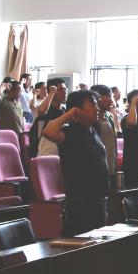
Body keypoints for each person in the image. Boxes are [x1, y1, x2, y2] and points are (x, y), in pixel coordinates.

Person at [42, 90, 110, 236]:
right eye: (92, 105)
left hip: (99, 202)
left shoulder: (93, 131)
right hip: (80, 205)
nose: (97, 108)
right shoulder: (70, 132)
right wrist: (68, 114)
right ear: (77, 109)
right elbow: (48, 132)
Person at [90, 84, 119, 186]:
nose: (111, 100)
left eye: (111, 97)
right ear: (97, 98)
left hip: (112, 165)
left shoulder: (109, 116)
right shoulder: (92, 119)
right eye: (108, 96)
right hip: (98, 167)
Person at [31, 78, 67, 157]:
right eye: (60, 90)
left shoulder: (65, 110)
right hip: (46, 154)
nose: (65, 92)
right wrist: (51, 93)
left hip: (61, 154)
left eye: (65, 89)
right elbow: (41, 112)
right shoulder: (46, 109)